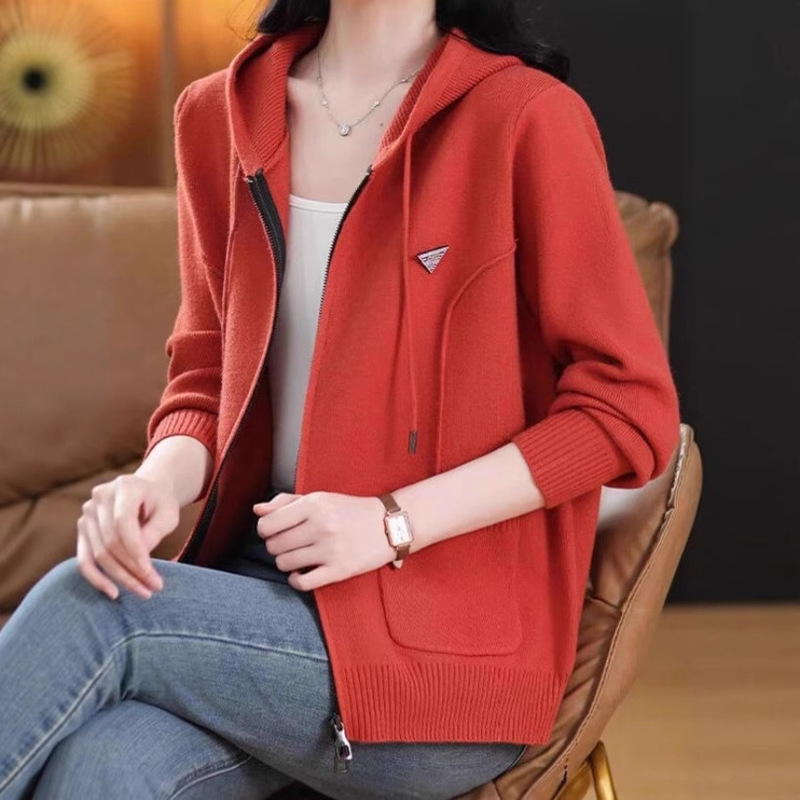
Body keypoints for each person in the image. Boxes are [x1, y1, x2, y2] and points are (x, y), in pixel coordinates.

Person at [0, 0, 682, 798]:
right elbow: (207, 376)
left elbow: (627, 409)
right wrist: (154, 482)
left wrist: (391, 522)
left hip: (441, 647)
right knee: (103, 764)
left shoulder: (527, 117)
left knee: (97, 606)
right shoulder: (220, 114)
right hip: (257, 601)